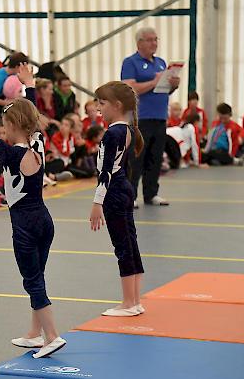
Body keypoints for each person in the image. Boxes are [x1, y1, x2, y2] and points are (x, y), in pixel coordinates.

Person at [0, 69, 66, 358]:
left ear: (12, 126)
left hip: (25, 225)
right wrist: (28, 87)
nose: (1, 131)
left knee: (32, 280)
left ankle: (52, 336)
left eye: (4, 126)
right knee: (38, 276)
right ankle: (34, 333)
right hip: (44, 219)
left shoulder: (8, 154)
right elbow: (30, 112)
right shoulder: (39, 142)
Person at [89, 81, 145, 317]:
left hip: (113, 191)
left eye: (102, 103)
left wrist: (96, 203)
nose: (98, 108)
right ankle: (135, 300)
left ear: (117, 105)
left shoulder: (114, 132)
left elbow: (106, 172)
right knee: (130, 243)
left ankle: (128, 303)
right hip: (123, 189)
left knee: (122, 245)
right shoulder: (128, 130)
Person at [121, 27, 179, 207]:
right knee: (136, 158)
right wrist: (154, 82)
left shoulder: (161, 63)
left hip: (160, 116)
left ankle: (151, 193)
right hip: (140, 119)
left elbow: (164, 89)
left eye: (156, 39)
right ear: (139, 43)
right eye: (150, 40)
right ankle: (130, 195)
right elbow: (129, 88)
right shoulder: (131, 62)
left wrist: (173, 85)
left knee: (155, 157)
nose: (154, 43)